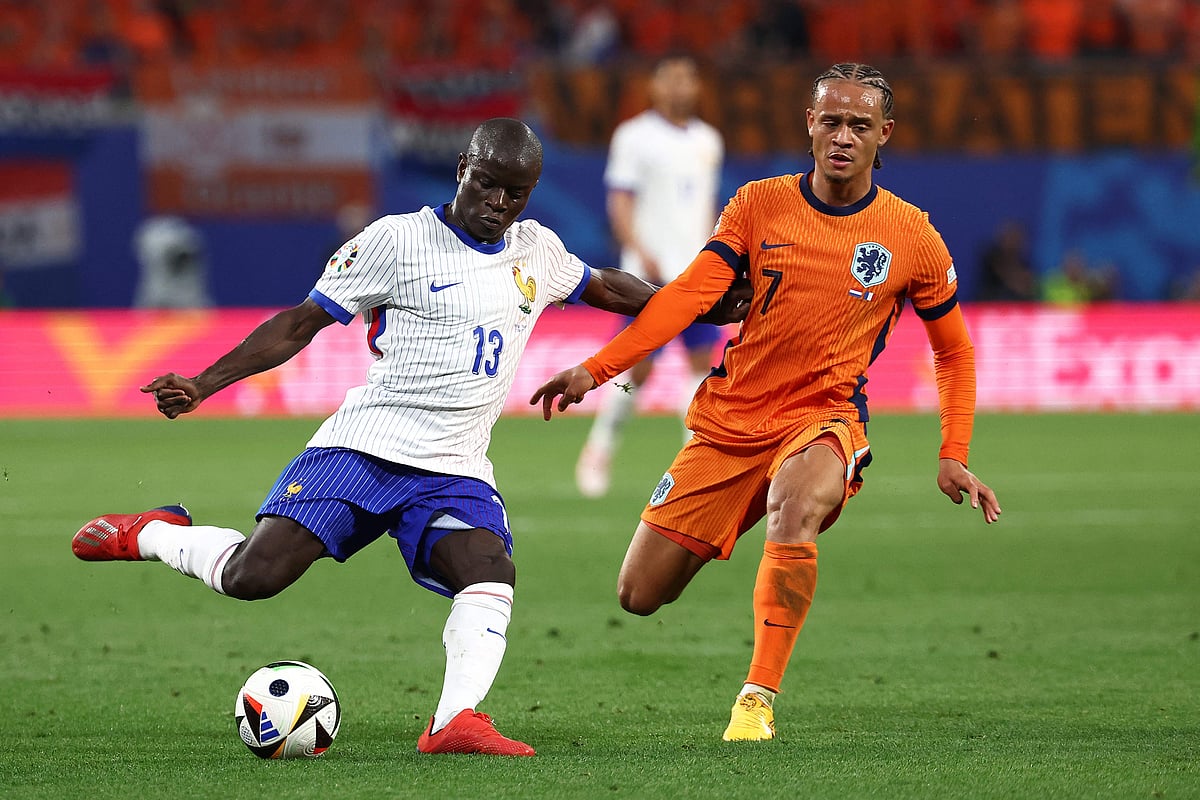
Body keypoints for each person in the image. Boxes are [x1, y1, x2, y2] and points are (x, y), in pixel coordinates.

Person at [71, 118, 749, 757]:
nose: (498, 202)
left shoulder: (535, 248)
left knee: (489, 572)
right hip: (364, 448)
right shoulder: (395, 240)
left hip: (454, 464)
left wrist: (698, 303)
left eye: (515, 192)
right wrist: (204, 382)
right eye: (486, 183)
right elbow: (301, 323)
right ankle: (156, 532)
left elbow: (606, 285)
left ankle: (454, 721)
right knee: (256, 576)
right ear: (462, 170)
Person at [531, 64, 1002, 742]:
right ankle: (742, 504)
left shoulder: (911, 236)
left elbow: (953, 350)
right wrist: (597, 369)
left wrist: (953, 452)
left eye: (859, 126)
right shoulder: (758, 205)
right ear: (810, 123)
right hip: (730, 421)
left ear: (884, 135)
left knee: (796, 504)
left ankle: (756, 699)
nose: (843, 136)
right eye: (832, 121)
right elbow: (691, 296)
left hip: (824, 418)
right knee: (638, 595)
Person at [575, 52, 726, 498]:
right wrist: (641, 252)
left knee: (701, 368)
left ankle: (693, 464)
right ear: (655, 86)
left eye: (688, 77)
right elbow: (620, 202)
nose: (680, 87)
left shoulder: (707, 141)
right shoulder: (635, 137)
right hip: (646, 277)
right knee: (635, 369)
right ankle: (598, 450)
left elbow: (707, 204)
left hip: (696, 274)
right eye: (672, 78)